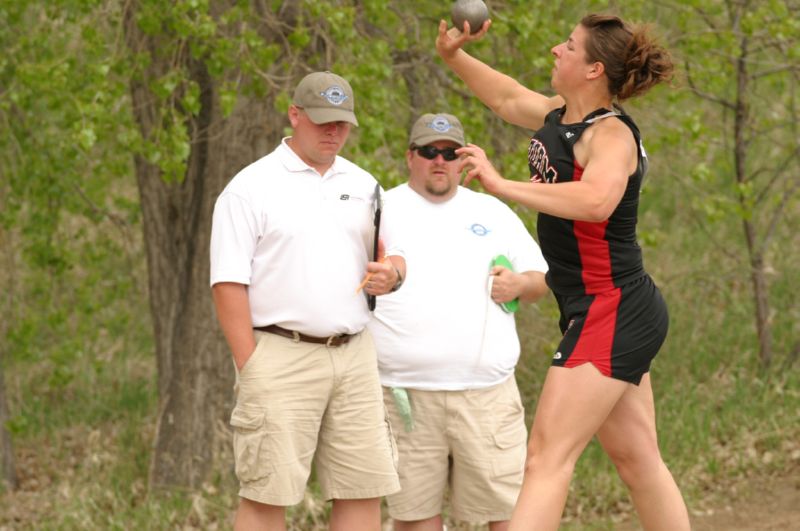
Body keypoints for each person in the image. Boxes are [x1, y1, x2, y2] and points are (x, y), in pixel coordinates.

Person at [435, 13, 691, 531]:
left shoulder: (611, 136)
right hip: (595, 307)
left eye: (569, 47)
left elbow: (597, 200)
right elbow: (506, 99)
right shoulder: (558, 115)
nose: (556, 50)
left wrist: (502, 184)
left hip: (613, 307)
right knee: (638, 459)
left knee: (545, 458)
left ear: (594, 69)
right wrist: (452, 55)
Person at [209, 71, 405, 531]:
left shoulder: (364, 184)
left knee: (362, 488)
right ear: (295, 116)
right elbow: (227, 283)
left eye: (342, 123)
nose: (333, 132)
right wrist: (250, 364)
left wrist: (392, 274)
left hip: (354, 353)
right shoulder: (250, 187)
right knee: (267, 492)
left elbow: (393, 255)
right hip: (280, 353)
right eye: (322, 122)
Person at [368, 112, 549, 531]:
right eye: (429, 151)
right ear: (410, 156)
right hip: (404, 396)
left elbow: (540, 281)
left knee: (505, 517)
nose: (440, 161)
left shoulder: (493, 211)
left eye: (450, 153)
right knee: (414, 518)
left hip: (486, 397)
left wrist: (518, 284)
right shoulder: (379, 208)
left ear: (463, 159)